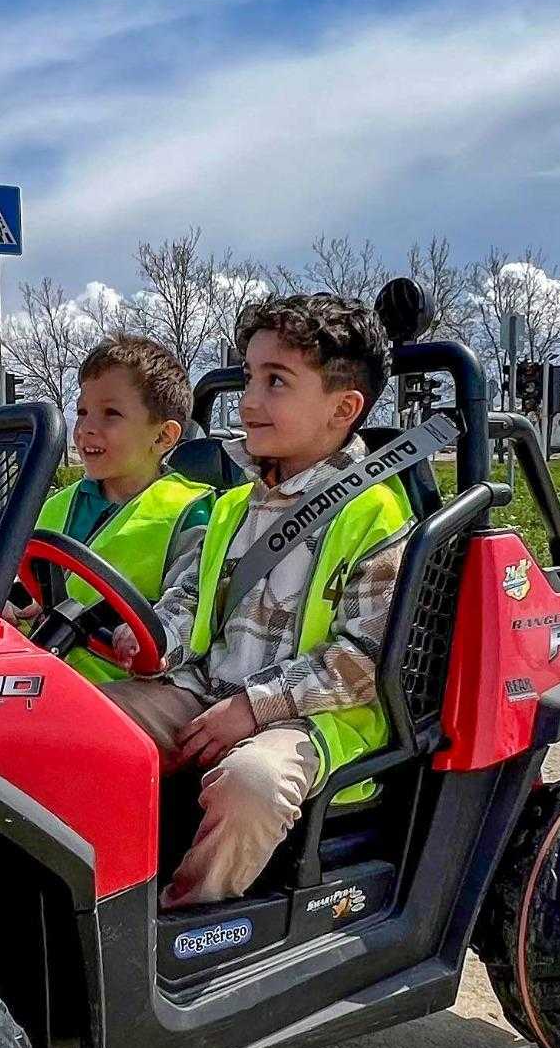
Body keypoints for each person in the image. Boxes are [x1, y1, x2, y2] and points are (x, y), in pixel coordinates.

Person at [103, 293, 411, 908]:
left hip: (315, 718)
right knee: (85, 724)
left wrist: (254, 708)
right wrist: (151, 637)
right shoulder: (231, 506)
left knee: (251, 783)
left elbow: (362, 659)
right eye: (249, 376)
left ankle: (193, 918)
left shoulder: (375, 512)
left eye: (277, 382)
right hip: (203, 688)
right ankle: (98, 896)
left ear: (344, 409)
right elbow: (189, 598)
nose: (248, 400)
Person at [26, 335, 213, 683]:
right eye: (82, 412)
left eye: (110, 414)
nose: (85, 429)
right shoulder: (56, 505)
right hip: (37, 671)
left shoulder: (188, 513)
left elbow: (189, 612)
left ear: (162, 438)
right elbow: (24, 586)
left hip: (121, 690)